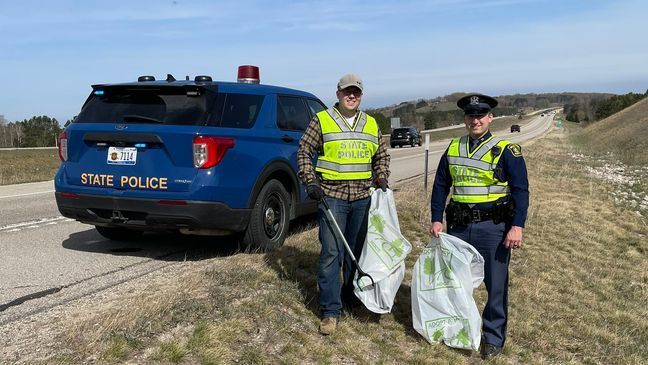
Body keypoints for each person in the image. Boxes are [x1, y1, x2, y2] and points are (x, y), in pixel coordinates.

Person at [429, 94, 529, 359]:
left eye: (480, 115)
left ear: (490, 118)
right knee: (457, 283)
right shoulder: (452, 148)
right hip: (459, 228)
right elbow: (441, 186)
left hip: (493, 228)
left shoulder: (507, 150)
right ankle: (460, 330)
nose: (476, 120)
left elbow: (521, 190)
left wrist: (516, 226)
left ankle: (493, 338)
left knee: (495, 286)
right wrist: (437, 218)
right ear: (465, 118)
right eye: (471, 115)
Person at [298, 73, 391, 335]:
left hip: (363, 198)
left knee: (357, 254)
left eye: (357, 92)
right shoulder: (322, 120)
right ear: (338, 94)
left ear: (361, 95)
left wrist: (381, 176)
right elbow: (304, 150)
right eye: (347, 92)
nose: (352, 96)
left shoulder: (371, 123)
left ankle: (353, 300)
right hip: (332, 197)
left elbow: (381, 155)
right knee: (331, 254)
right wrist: (310, 181)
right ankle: (330, 311)